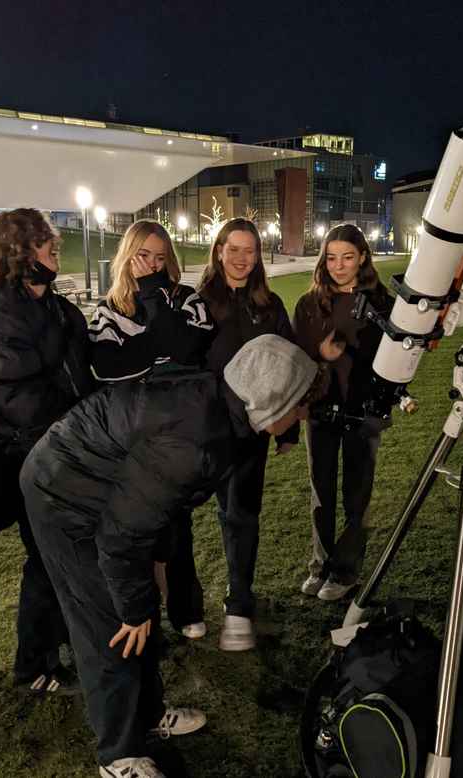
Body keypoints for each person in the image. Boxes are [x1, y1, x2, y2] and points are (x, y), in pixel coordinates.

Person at [19, 334, 318, 778]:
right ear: (271, 402)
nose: (303, 414)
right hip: (63, 495)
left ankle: (148, 715)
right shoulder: (198, 440)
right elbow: (121, 538)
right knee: (111, 627)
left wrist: (154, 567)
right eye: (299, 404)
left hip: (104, 493)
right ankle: (118, 756)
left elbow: (159, 506)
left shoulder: (222, 409)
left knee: (136, 619)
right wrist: (135, 607)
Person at [0, 208, 93, 692]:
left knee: (62, 558)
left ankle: (61, 649)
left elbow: (85, 366)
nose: (54, 249)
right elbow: (25, 402)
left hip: (58, 454)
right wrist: (83, 421)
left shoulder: (53, 307)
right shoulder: (5, 320)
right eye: (44, 242)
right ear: (19, 253)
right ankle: (33, 667)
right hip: (25, 461)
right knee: (44, 561)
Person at [88, 219, 214, 639]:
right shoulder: (109, 308)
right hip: (130, 435)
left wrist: (155, 303)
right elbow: (108, 368)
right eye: (144, 255)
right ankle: (143, 612)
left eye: (161, 257)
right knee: (137, 528)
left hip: (179, 429)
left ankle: (184, 607)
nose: (153, 264)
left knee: (177, 524)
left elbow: (189, 350)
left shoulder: (185, 298)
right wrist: (157, 346)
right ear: (128, 255)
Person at [198, 217, 299, 651]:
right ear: (219, 250)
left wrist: (286, 428)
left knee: (242, 515)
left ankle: (238, 605)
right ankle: (183, 609)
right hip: (206, 430)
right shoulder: (198, 303)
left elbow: (289, 365)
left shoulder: (270, 304)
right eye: (233, 249)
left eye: (250, 250)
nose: (241, 258)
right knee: (176, 515)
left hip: (252, 435)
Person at [293, 224, 393, 601]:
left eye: (347, 257)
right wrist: (320, 356)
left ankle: (345, 572)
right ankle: (320, 567)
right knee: (321, 493)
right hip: (320, 411)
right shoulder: (308, 304)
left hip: (362, 411)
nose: (338, 266)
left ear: (363, 258)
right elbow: (297, 358)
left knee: (357, 495)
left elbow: (395, 357)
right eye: (331, 257)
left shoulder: (381, 302)